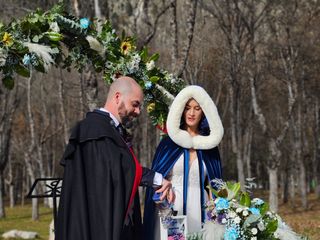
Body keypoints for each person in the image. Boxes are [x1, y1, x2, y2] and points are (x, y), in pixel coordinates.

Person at [56, 76, 174, 240]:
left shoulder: (109, 131)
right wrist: (156, 178)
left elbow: (119, 168)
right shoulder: (95, 130)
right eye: (135, 104)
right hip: (96, 227)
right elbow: (120, 168)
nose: (138, 111)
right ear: (117, 97)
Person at [143, 85, 224, 239]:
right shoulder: (168, 144)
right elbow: (157, 178)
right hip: (172, 207)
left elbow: (215, 184)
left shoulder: (210, 147)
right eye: (187, 108)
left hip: (200, 209)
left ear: (204, 112)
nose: (191, 113)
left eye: (197, 108)